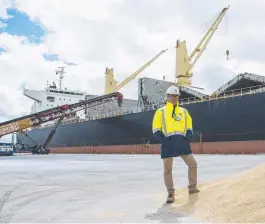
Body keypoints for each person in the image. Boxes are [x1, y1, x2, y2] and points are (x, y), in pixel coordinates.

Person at [152, 85, 200, 203]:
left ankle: (192, 188)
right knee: (167, 169)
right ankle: (170, 194)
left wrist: (189, 134)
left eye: (176, 96)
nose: (173, 98)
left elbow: (189, 124)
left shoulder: (184, 111)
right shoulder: (160, 111)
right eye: (171, 96)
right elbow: (156, 127)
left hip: (181, 142)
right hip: (167, 143)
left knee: (193, 164)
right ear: (167, 97)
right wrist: (162, 139)